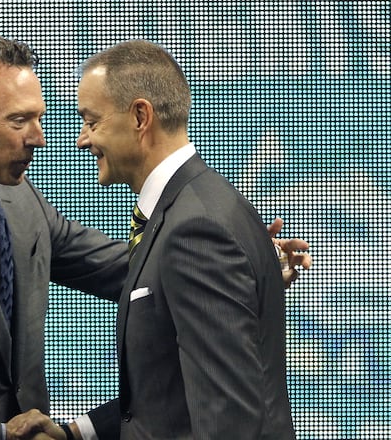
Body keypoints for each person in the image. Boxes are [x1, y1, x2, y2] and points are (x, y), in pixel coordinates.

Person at [0, 33, 310, 440]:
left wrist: (239, 266)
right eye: (19, 121)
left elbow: (132, 270)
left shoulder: (22, 203)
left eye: (38, 118)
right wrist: (1, 435)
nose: (39, 137)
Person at [23, 40, 302, 439]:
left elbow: (228, 419)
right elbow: (174, 390)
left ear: (140, 117)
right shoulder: (193, 210)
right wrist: (76, 433)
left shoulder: (197, 231)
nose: (82, 139)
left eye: (92, 121)